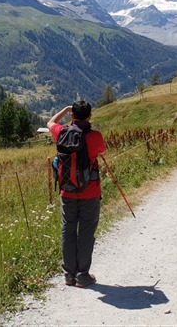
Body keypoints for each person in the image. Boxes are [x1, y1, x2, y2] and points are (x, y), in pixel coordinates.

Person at [47, 101, 106, 288]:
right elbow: (101, 151)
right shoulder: (95, 136)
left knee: (68, 230)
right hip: (90, 193)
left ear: (72, 116)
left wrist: (64, 110)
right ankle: (83, 275)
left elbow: (50, 122)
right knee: (87, 232)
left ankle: (68, 275)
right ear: (90, 116)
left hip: (67, 192)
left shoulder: (62, 133)